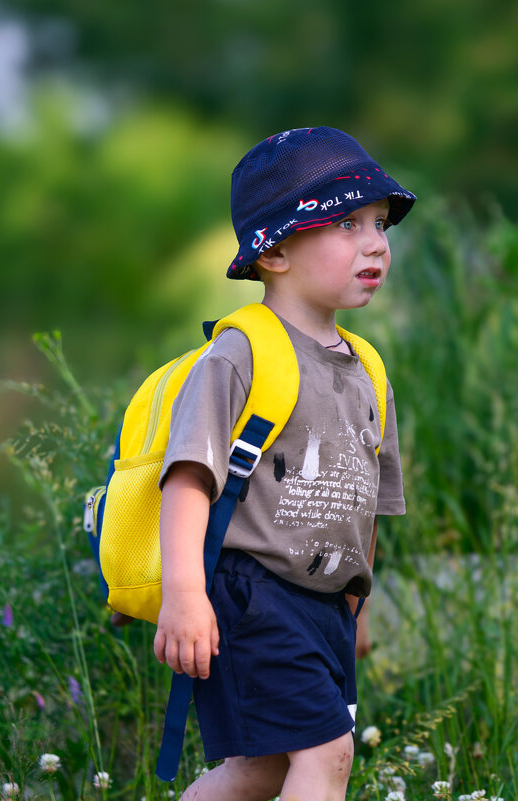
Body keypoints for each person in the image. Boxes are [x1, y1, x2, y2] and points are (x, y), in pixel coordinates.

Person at [151, 127, 416, 801]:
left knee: (263, 767)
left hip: (324, 604)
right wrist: (184, 593)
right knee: (327, 753)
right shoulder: (241, 355)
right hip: (251, 592)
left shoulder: (369, 371)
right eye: (347, 223)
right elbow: (189, 476)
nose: (375, 242)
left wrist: (356, 607)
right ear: (273, 252)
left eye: (379, 223)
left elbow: (370, 508)